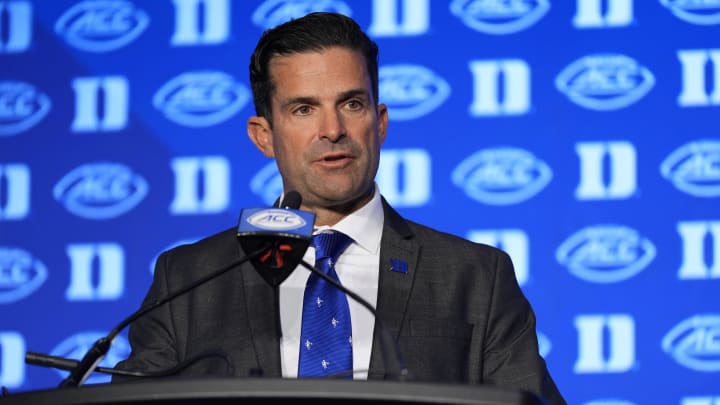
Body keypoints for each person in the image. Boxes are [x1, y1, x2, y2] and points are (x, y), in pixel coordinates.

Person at [114, 12, 566, 405]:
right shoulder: (190, 279)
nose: (333, 129)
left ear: (380, 122)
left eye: (351, 103)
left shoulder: (473, 278)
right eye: (303, 109)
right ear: (263, 135)